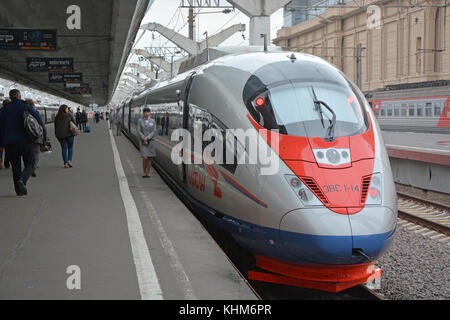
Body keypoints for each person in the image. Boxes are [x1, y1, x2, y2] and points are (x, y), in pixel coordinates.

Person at [0, 90, 42, 196]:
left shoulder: (4, 109)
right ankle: (22, 181)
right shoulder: (25, 106)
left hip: (10, 143)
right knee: (31, 163)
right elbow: (38, 119)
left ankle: (19, 191)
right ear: (19, 96)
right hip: (25, 141)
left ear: (10, 97)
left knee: (15, 167)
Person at [25, 99, 47, 177]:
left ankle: (28, 168)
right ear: (33, 105)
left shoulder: (22, 113)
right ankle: (32, 169)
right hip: (36, 137)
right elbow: (42, 126)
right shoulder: (35, 113)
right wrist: (45, 137)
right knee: (35, 154)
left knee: (27, 154)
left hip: (24, 138)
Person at [137, 107, 156, 178]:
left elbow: (154, 131)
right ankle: (144, 171)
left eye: (148, 112)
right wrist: (143, 138)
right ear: (143, 113)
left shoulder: (153, 121)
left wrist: (147, 138)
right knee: (145, 157)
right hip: (143, 142)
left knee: (150, 158)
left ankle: (147, 172)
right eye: (146, 112)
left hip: (151, 141)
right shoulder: (140, 121)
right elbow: (138, 131)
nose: (147, 113)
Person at [0, 99, 11, 169]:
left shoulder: (0, 111)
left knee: (0, 149)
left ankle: (0, 163)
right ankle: (6, 164)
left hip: (0, 133)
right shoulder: (10, 113)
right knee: (8, 150)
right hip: (7, 134)